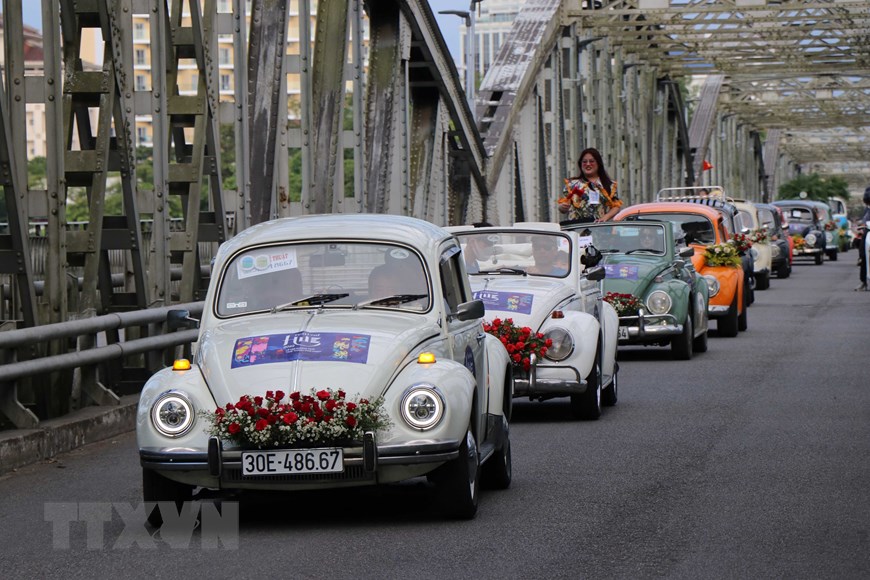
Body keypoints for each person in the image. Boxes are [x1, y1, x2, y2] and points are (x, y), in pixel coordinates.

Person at [558, 147, 623, 224]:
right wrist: (562, 207)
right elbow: (562, 207)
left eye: (591, 161)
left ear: (598, 164)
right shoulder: (572, 184)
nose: (588, 164)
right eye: (584, 162)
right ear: (580, 164)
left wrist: (605, 218)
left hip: (598, 229)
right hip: (577, 229)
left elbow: (616, 206)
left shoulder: (609, 185)